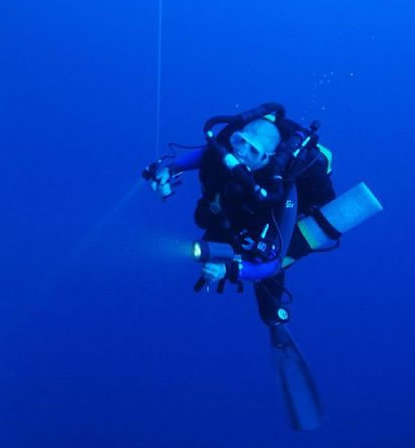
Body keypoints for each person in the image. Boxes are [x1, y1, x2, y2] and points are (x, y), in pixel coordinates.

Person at [143, 101, 339, 430]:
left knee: (266, 277)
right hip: (234, 216)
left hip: (268, 234)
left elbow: (273, 263)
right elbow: (190, 161)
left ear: (268, 159)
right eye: (239, 143)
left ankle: (276, 325)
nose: (242, 155)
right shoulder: (222, 155)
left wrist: (233, 270)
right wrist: (166, 171)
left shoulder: (283, 190)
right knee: (210, 232)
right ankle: (227, 261)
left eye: (254, 151)